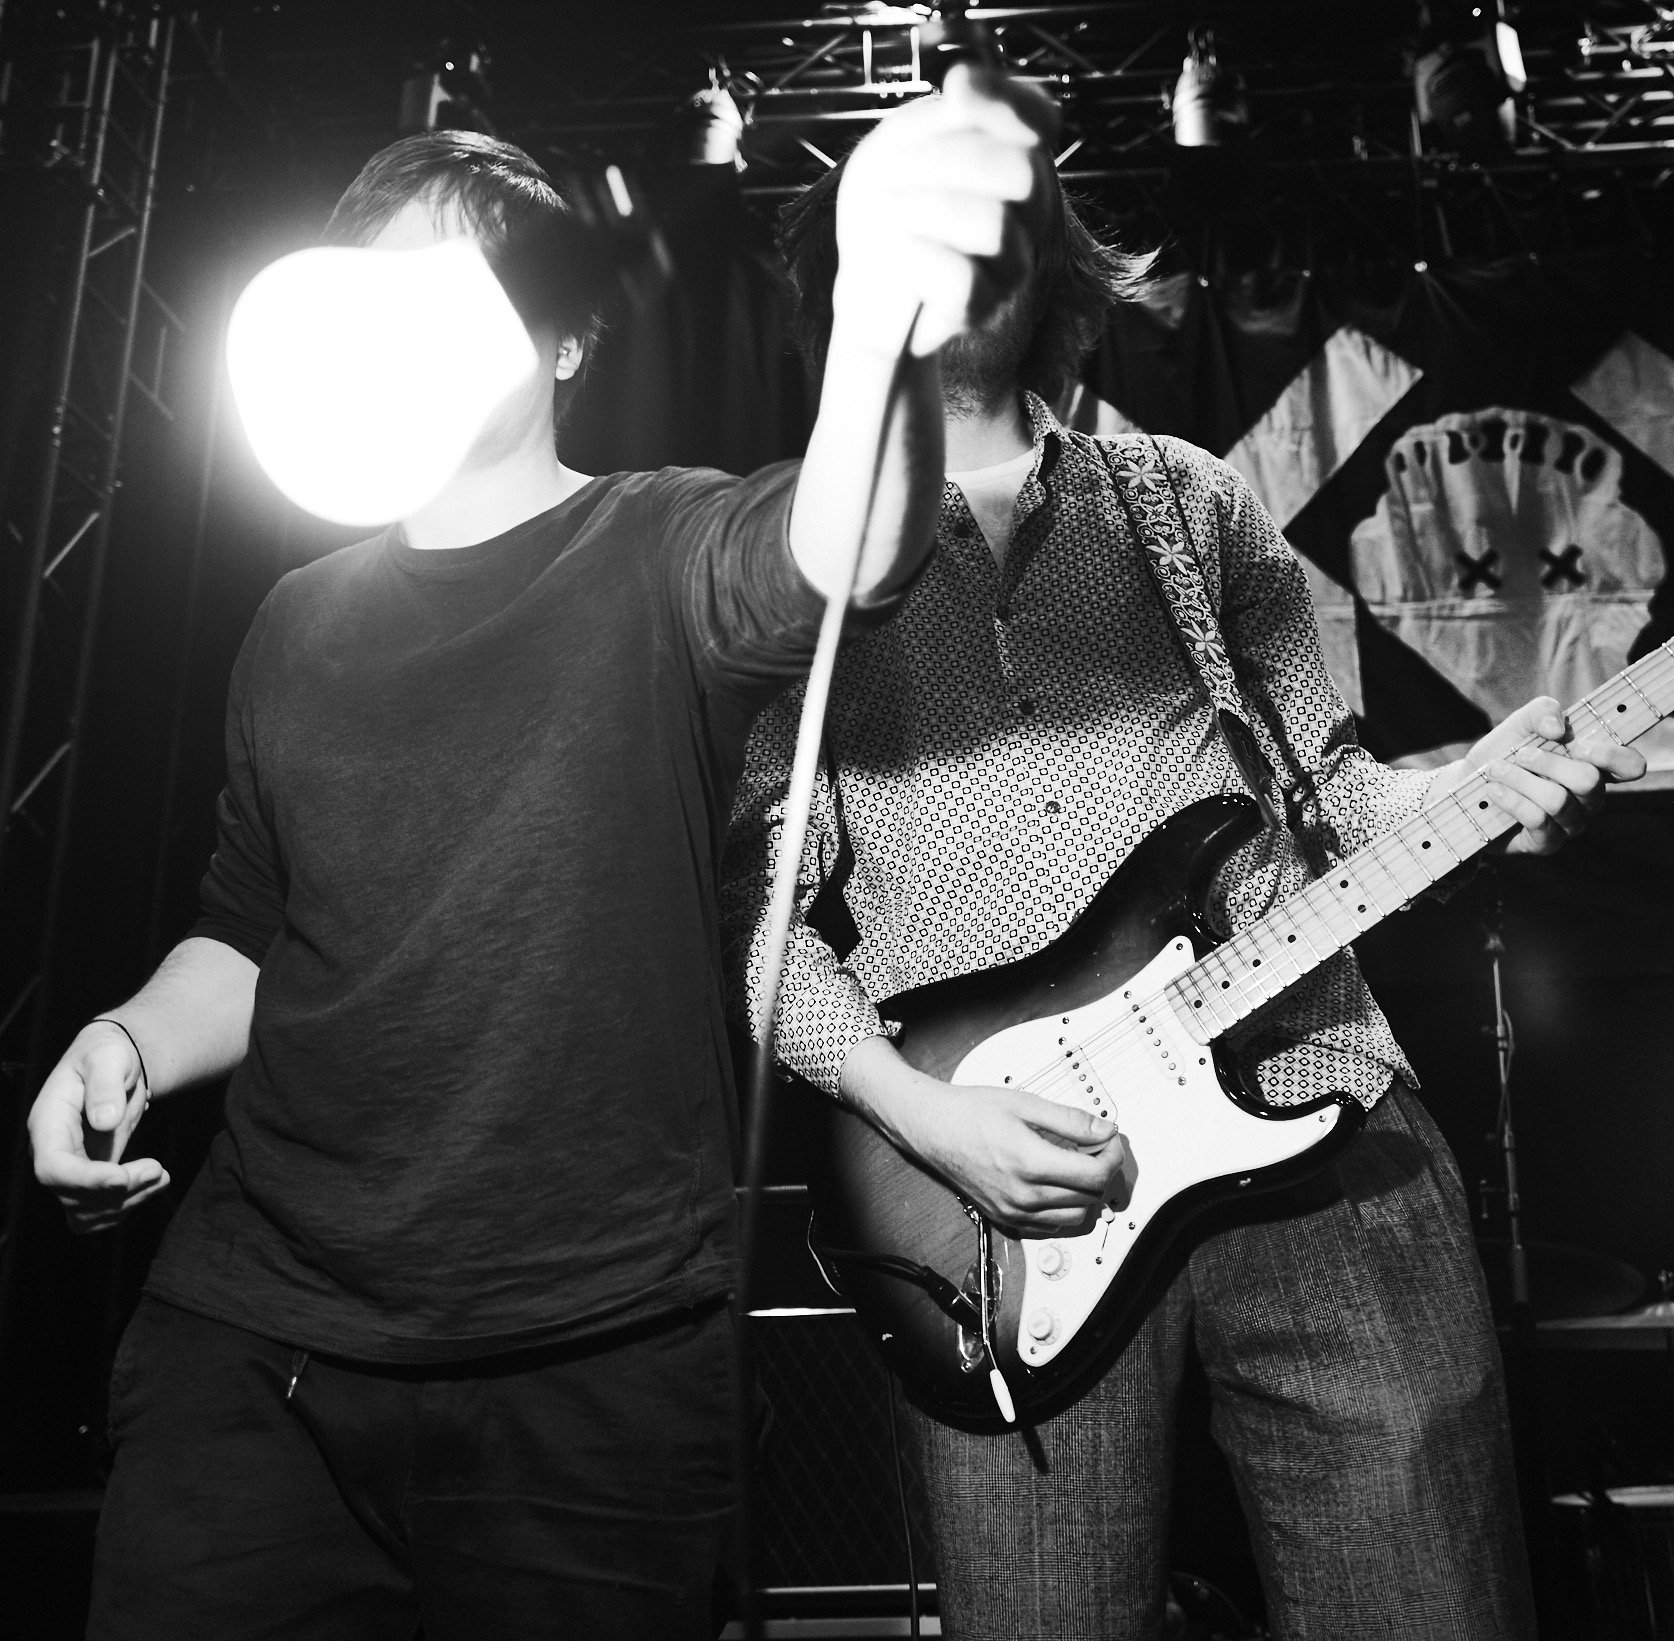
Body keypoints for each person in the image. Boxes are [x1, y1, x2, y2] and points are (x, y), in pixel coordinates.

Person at [28, 72, 1051, 1641]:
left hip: (591, 1368)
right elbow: (247, 932)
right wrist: (121, 1039)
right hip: (258, 1343)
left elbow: (850, 543)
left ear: (564, 339)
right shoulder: (298, 616)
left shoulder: (656, 547)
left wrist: (877, 325)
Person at [723, 157, 1646, 1641]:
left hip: (1322, 1112)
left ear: (1055, 268)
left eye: (994, 215)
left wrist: (1479, 781)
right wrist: (918, 1108)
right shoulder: (785, 574)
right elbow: (765, 929)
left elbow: (1343, 797)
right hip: (999, 1201)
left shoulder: (1182, 501)